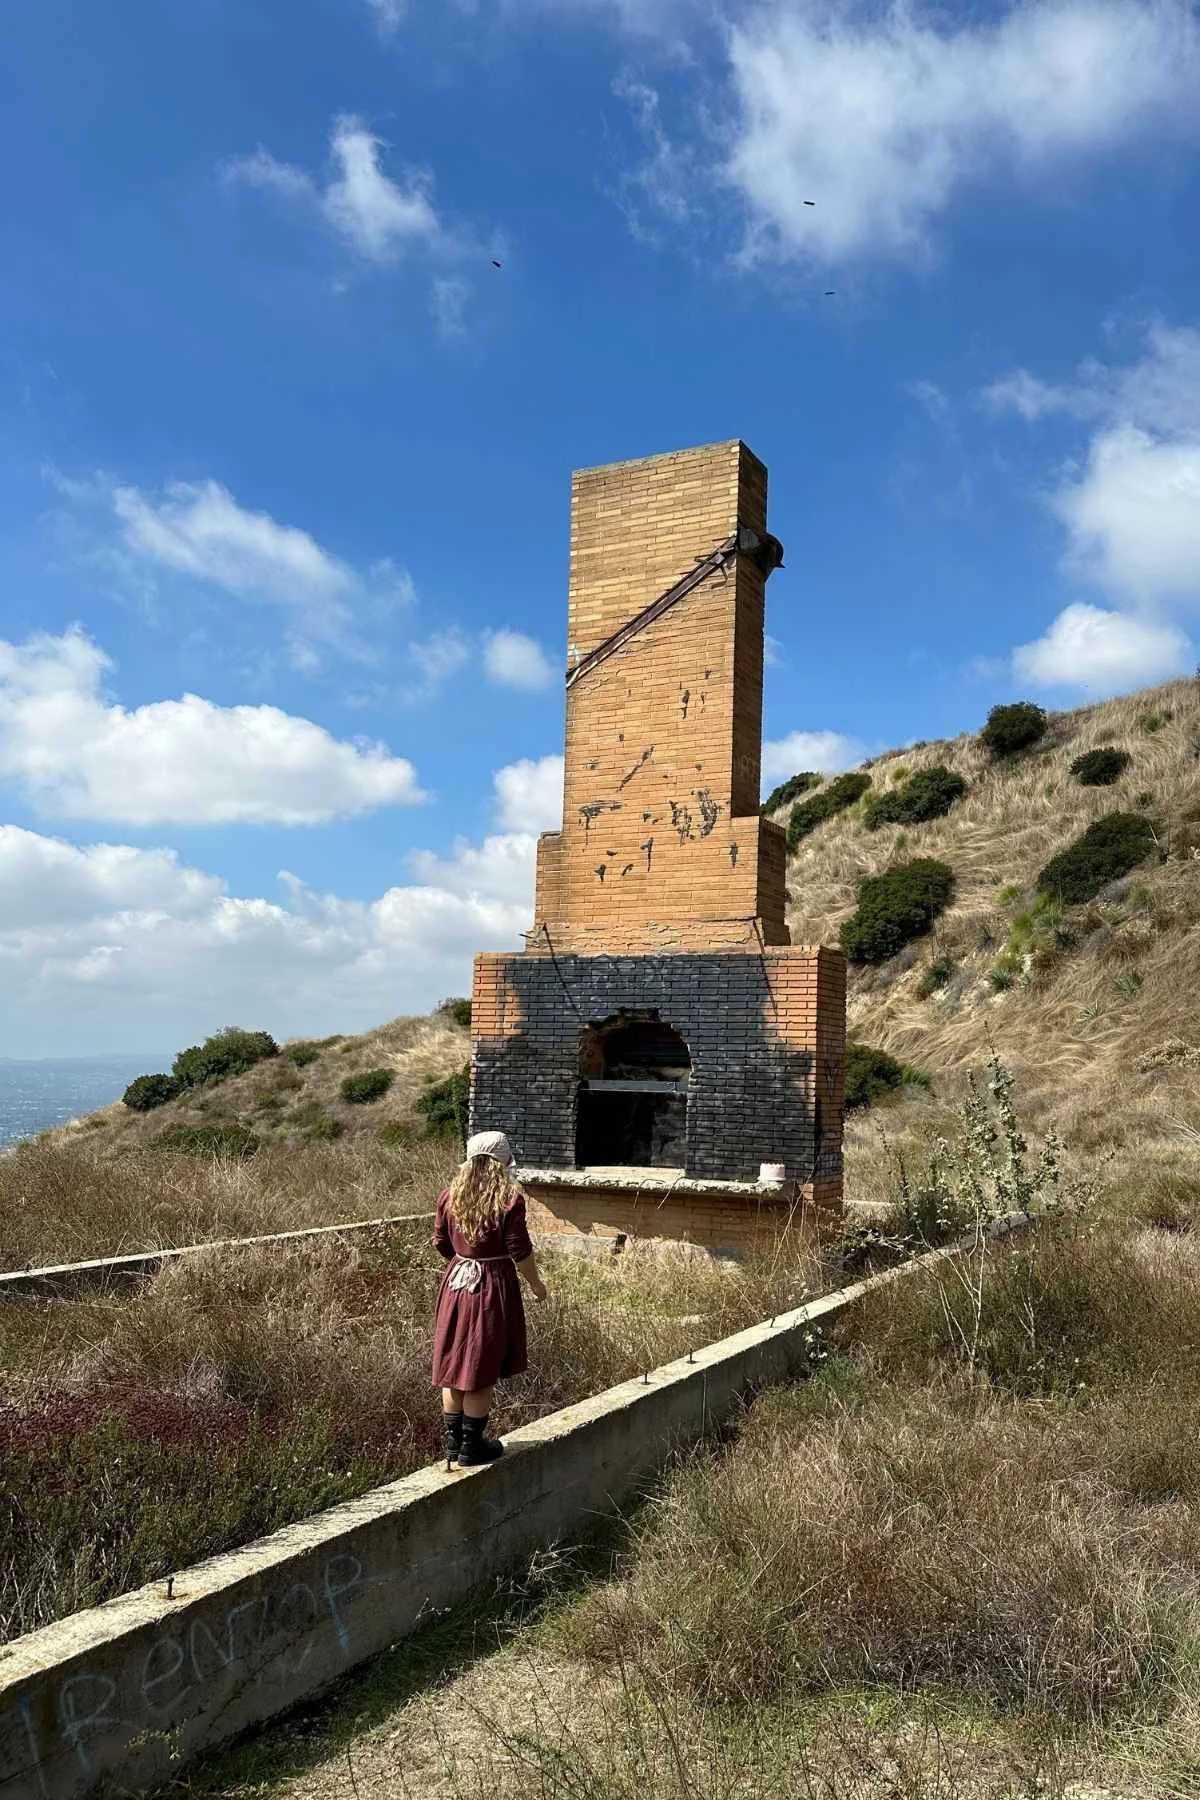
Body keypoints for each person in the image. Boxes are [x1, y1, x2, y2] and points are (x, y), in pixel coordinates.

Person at [432, 1129, 547, 1468]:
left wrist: (465, 1257)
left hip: (455, 1285)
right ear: (503, 1161)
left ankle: (454, 1445)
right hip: (491, 1286)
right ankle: (472, 1447)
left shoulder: (449, 1196)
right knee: (480, 1366)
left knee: (454, 1363)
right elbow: (519, 1251)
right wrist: (536, 1285)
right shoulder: (509, 1200)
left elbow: (441, 1243)